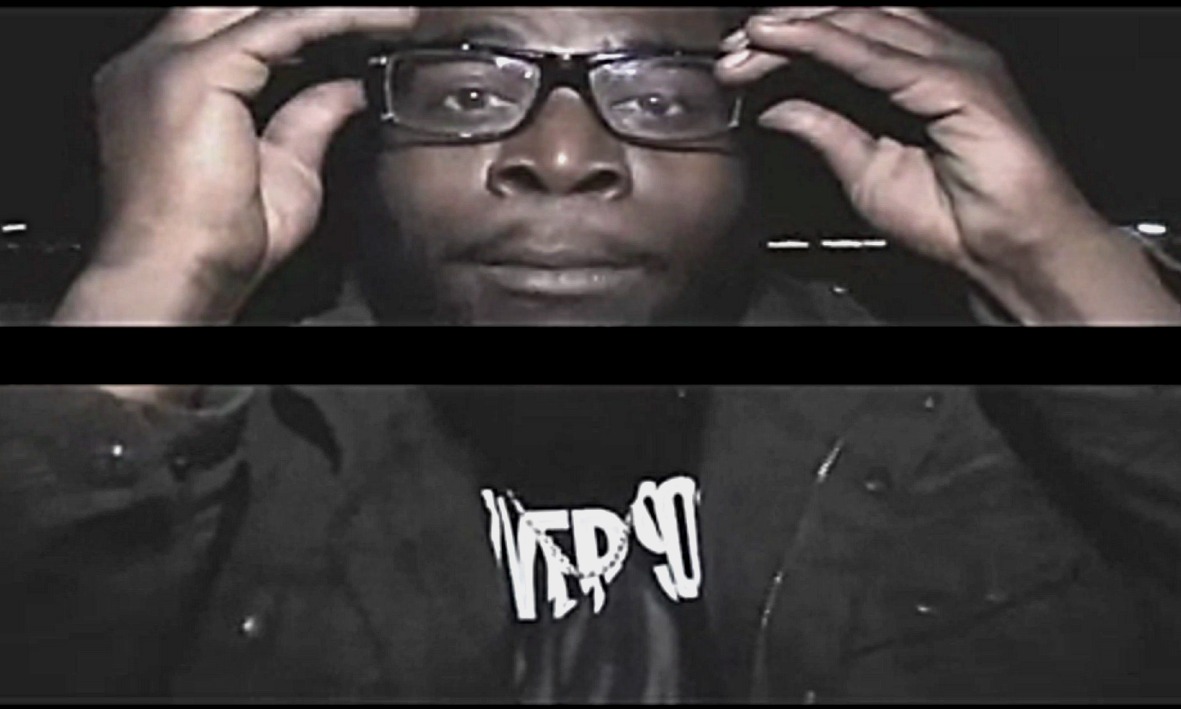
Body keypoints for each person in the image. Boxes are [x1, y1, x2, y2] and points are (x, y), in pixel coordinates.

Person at [3, 5, 1181, 702]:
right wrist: (154, 272)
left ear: (761, 146)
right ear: (355, 138)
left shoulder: (980, 427)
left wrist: (1052, 255)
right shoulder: (213, 439)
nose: (562, 158)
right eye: (467, 93)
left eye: (660, 98)